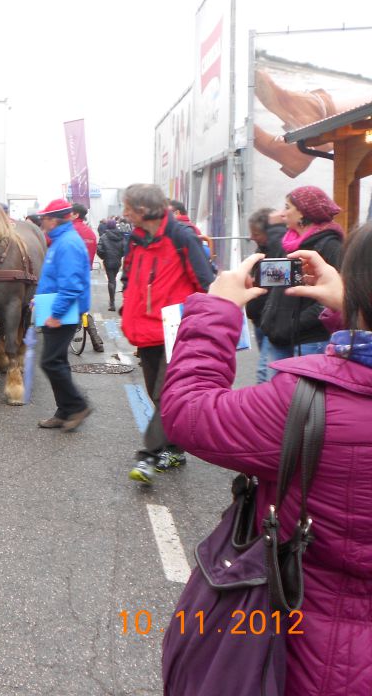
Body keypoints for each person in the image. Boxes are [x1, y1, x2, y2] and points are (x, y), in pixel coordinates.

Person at [161, 237, 372, 696]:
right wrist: (351, 312)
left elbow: (188, 410)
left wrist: (217, 310)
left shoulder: (313, 399)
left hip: (312, 652)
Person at [121, 184, 215, 486]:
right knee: (155, 392)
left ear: (144, 210)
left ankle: (148, 455)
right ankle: (175, 449)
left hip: (176, 328)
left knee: (165, 392)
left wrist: (201, 321)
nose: (123, 213)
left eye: (128, 207)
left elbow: (206, 282)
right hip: (146, 329)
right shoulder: (135, 240)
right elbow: (131, 275)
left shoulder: (181, 237)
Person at [260, 185, 344, 380]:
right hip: (280, 337)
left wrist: (293, 324)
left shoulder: (331, 246)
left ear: (303, 214)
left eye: (287, 207)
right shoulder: (288, 242)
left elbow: (334, 297)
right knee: (277, 401)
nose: (282, 214)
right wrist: (268, 318)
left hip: (309, 340)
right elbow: (276, 288)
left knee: (304, 400)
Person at [34, 198, 92, 432]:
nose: (42, 222)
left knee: (50, 362)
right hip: (56, 310)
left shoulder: (66, 244)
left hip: (63, 314)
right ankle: (64, 411)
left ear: (54, 220)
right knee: (58, 362)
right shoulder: (61, 241)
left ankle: (78, 406)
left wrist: (55, 313)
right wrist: (37, 300)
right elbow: (55, 279)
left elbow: (71, 285)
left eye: (44, 218)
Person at [245, 207, 287, 383]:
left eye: (256, 233)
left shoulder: (279, 250)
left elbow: (275, 285)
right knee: (267, 368)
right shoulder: (261, 251)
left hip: (270, 319)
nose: (252, 237)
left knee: (265, 371)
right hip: (260, 318)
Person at [69, 203, 104, 352]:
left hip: (69, 275)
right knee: (83, 307)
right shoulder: (90, 233)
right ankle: (96, 340)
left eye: (70, 213)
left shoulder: (69, 231)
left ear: (76, 214)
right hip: (85, 274)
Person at [96, 219, 125, 312]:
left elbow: (99, 250)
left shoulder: (104, 237)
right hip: (117, 261)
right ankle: (112, 301)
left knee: (111, 280)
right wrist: (120, 255)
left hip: (108, 261)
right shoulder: (121, 236)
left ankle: (112, 303)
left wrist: (103, 257)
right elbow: (125, 249)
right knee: (113, 279)